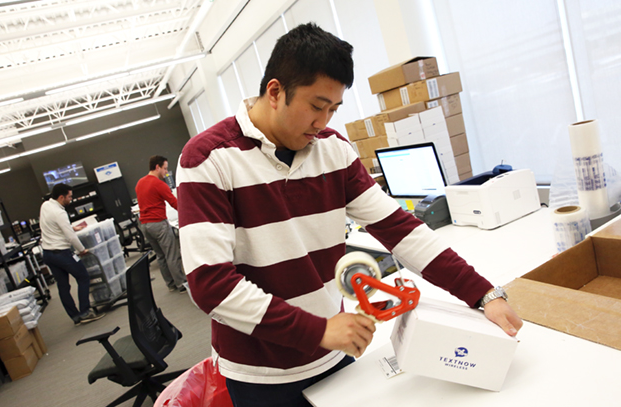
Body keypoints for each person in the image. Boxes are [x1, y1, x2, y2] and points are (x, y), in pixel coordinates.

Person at [176, 23, 523, 407]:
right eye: (316, 106)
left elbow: (401, 230)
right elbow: (211, 284)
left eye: (334, 109)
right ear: (275, 92)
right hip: (263, 374)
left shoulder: (333, 151)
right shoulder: (208, 160)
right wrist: (317, 330)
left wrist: (483, 294)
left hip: (334, 351)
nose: (323, 122)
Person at [40, 183, 105, 325]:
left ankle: (75, 317)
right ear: (61, 197)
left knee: (63, 286)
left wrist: (71, 227)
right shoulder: (60, 212)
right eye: (69, 197)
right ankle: (85, 312)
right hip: (62, 254)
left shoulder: (45, 205)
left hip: (48, 254)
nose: (71, 199)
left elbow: (54, 225)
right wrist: (82, 250)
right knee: (83, 277)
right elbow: (70, 237)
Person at [135, 155, 187, 293]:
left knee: (161, 256)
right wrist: (189, 213)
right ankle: (181, 284)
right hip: (159, 224)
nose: (166, 172)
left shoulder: (140, 183)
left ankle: (170, 285)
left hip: (145, 226)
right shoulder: (158, 184)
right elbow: (175, 203)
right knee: (172, 254)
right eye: (165, 168)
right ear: (157, 167)